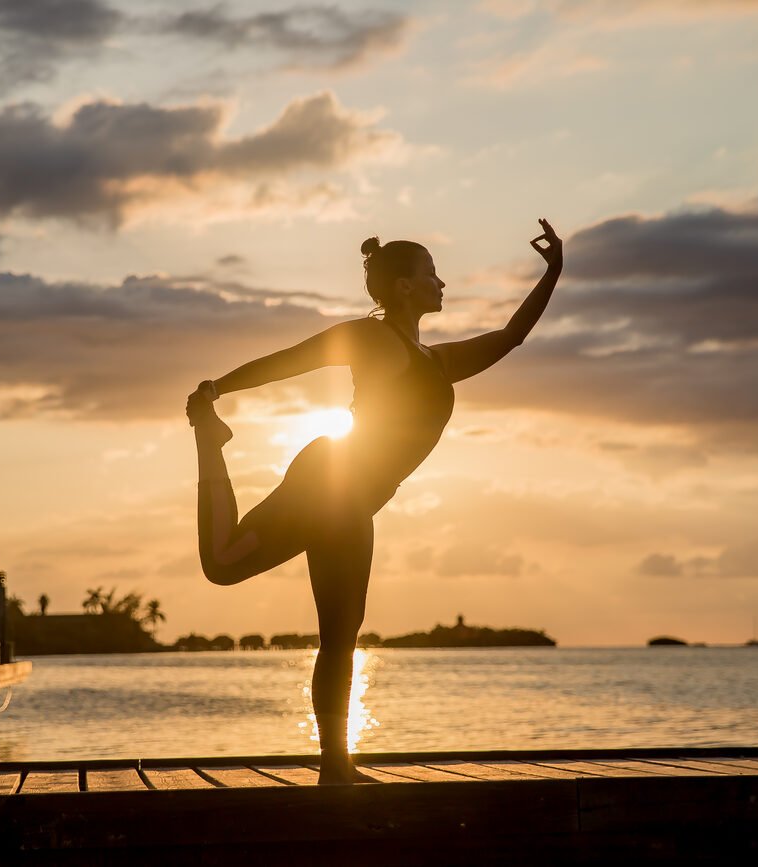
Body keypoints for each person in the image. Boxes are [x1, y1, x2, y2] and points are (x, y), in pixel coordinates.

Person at [186, 218, 564, 784]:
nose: (442, 283)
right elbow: (293, 359)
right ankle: (207, 434)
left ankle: (335, 765)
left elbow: (510, 337)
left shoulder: (436, 362)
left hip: (352, 499)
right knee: (225, 567)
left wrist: (553, 272)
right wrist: (218, 388)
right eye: (431, 274)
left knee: (341, 628)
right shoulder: (370, 338)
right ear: (404, 287)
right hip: (330, 481)